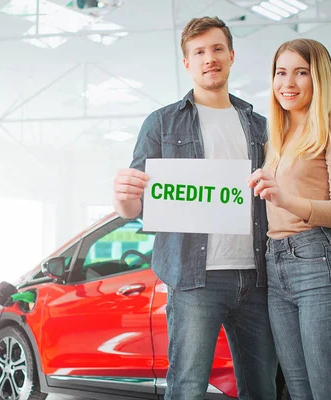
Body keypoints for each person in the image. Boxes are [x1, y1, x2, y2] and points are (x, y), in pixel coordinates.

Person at [113, 16, 277, 400]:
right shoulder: (162, 123)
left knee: (263, 388)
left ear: (231, 55)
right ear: (187, 63)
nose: (210, 58)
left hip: (258, 278)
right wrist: (123, 197)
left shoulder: (260, 127)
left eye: (217, 49)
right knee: (186, 388)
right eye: (199, 52)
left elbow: (279, 195)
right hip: (193, 280)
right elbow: (134, 207)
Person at [247, 39, 331, 400]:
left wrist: (285, 198)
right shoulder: (275, 138)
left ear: (319, 78)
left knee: (330, 392)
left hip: (316, 264)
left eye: (301, 73)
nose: (288, 83)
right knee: (299, 392)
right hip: (275, 267)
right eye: (281, 73)